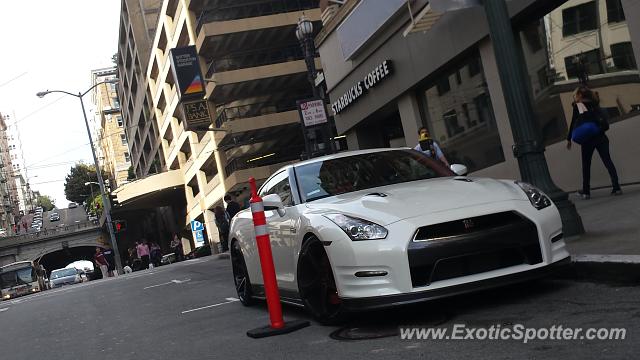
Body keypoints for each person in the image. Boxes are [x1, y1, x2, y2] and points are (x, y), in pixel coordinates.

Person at [566, 86, 621, 199]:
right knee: (608, 161)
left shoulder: (579, 105)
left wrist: (569, 138)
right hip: (601, 136)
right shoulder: (595, 104)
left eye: (575, 95)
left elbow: (573, 122)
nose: (575, 97)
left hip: (588, 139)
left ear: (580, 95)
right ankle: (617, 187)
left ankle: (586, 192)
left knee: (586, 165)